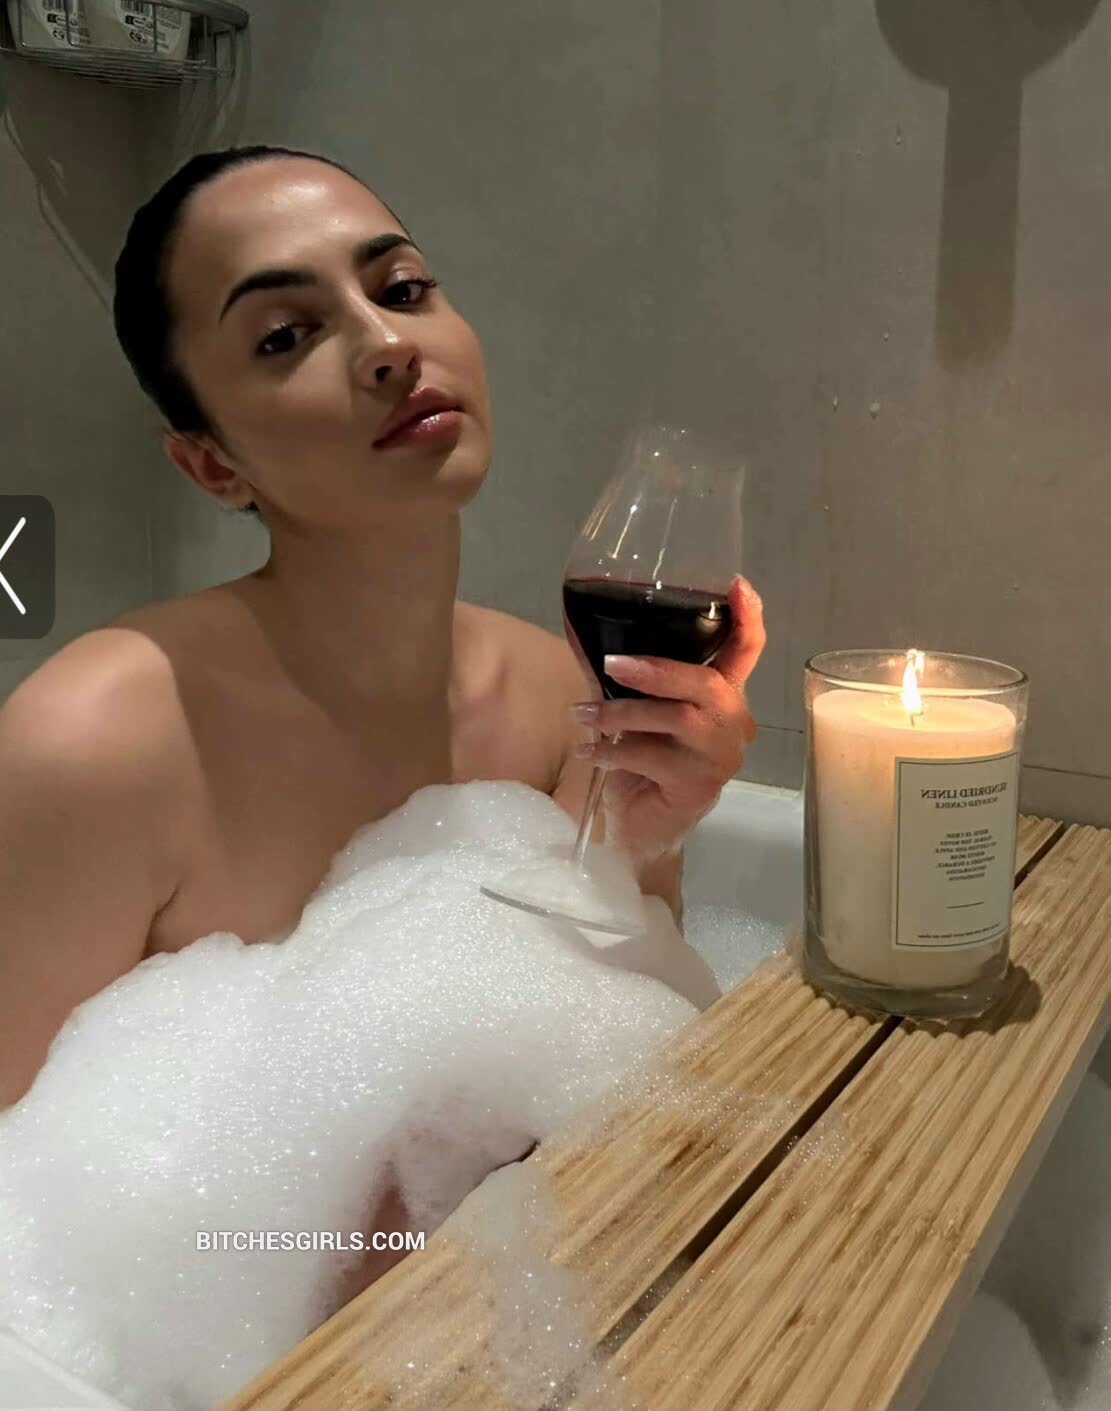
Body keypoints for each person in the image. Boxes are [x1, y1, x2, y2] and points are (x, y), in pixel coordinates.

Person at [0, 143, 763, 1290]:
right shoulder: (100, 740)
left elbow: (617, 1057)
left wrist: (651, 827)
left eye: (401, 288)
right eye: (284, 335)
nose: (388, 345)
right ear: (211, 466)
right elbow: (26, 1235)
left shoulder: (553, 695)